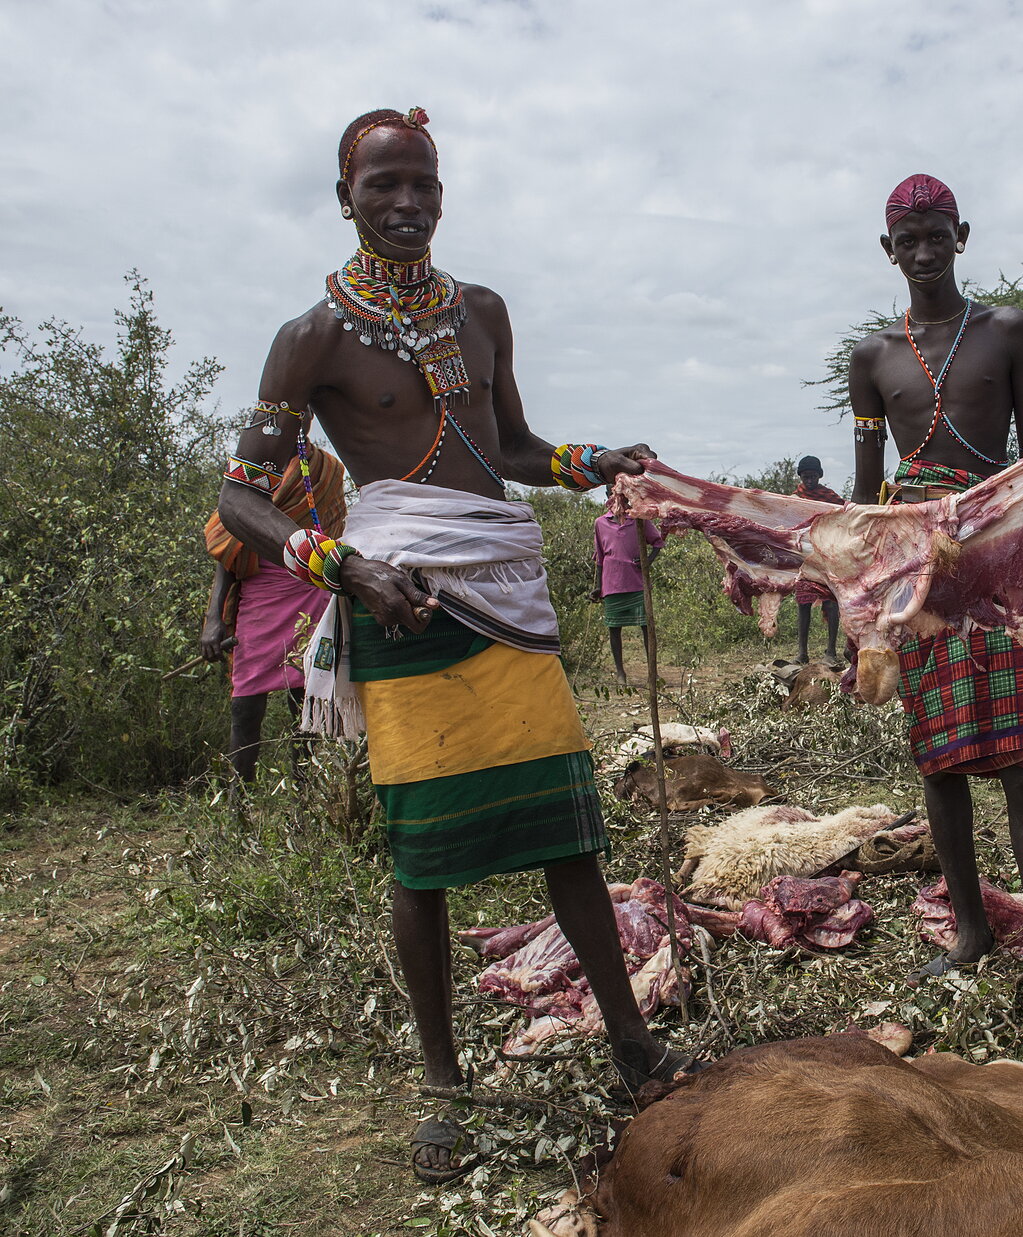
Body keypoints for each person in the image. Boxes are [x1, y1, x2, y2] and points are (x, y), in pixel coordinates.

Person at [213, 107, 686, 1184]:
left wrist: (592, 458)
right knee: (421, 857)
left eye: (422, 182)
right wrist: (342, 566)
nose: (406, 203)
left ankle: (629, 1043)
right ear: (344, 198)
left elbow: (510, 446)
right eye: (382, 185)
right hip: (397, 598)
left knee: (570, 832)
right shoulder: (311, 339)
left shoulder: (480, 312)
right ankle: (443, 1084)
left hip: (505, 593)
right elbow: (243, 498)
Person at [849, 172, 1023, 1048]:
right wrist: (867, 599)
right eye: (910, 240)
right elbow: (865, 497)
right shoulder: (872, 359)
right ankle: (973, 929)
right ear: (887, 249)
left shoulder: (1007, 330)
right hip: (920, 570)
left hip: (1002, 548)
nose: (925, 252)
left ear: (962, 236)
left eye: (939, 236)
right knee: (938, 762)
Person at [201, 444, 348, 783]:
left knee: (307, 701)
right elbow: (228, 543)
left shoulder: (326, 469)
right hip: (260, 596)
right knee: (245, 704)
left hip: (310, 589)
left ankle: (306, 794)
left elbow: (335, 532)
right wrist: (213, 621)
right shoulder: (251, 467)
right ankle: (238, 800)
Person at [592, 509, 663, 686]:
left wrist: (648, 560)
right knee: (614, 629)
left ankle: (652, 673)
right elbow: (600, 558)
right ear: (609, 497)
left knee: (646, 627)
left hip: (637, 582)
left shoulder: (639, 520)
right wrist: (598, 587)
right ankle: (620, 673)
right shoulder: (600, 523)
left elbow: (657, 542)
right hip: (612, 583)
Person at [792, 455, 844, 665]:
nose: (810, 481)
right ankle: (802, 653)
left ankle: (830, 652)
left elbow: (845, 515)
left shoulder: (829, 496)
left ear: (820, 475)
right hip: (805, 558)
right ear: (801, 477)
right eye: (806, 477)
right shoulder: (794, 498)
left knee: (832, 604)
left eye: (813, 476)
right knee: (803, 604)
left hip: (827, 555)